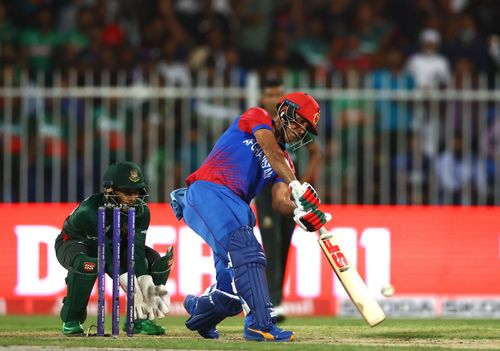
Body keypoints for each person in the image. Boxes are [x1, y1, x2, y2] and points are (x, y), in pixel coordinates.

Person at [170, 91, 330, 341]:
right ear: (285, 111)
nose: (301, 131)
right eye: (300, 122)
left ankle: (200, 311)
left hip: (236, 211)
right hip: (208, 193)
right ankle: (260, 324)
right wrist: (296, 184)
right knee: (248, 251)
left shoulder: (286, 163)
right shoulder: (257, 116)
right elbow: (270, 150)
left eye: (306, 129)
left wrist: (300, 211)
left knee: (231, 294)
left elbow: (280, 202)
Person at [54, 161, 174, 336]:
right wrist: (131, 287)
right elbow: (106, 258)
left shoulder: (141, 211)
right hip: (75, 243)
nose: (133, 197)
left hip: (116, 245)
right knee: (87, 263)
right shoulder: (91, 211)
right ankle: (72, 320)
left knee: (155, 261)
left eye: (137, 192)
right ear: (110, 190)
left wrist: (144, 282)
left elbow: (137, 252)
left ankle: (140, 319)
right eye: (126, 192)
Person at [254, 79, 323, 322]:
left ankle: (277, 301)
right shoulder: (262, 123)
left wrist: (300, 183)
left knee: (283, 246)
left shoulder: (296, 125)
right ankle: (269, 302)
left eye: (278, 94)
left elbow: (316, 154)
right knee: (271, 243)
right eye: (269, 94)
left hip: (288, 190)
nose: (274, 98)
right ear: (263, 98)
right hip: (266, 190)